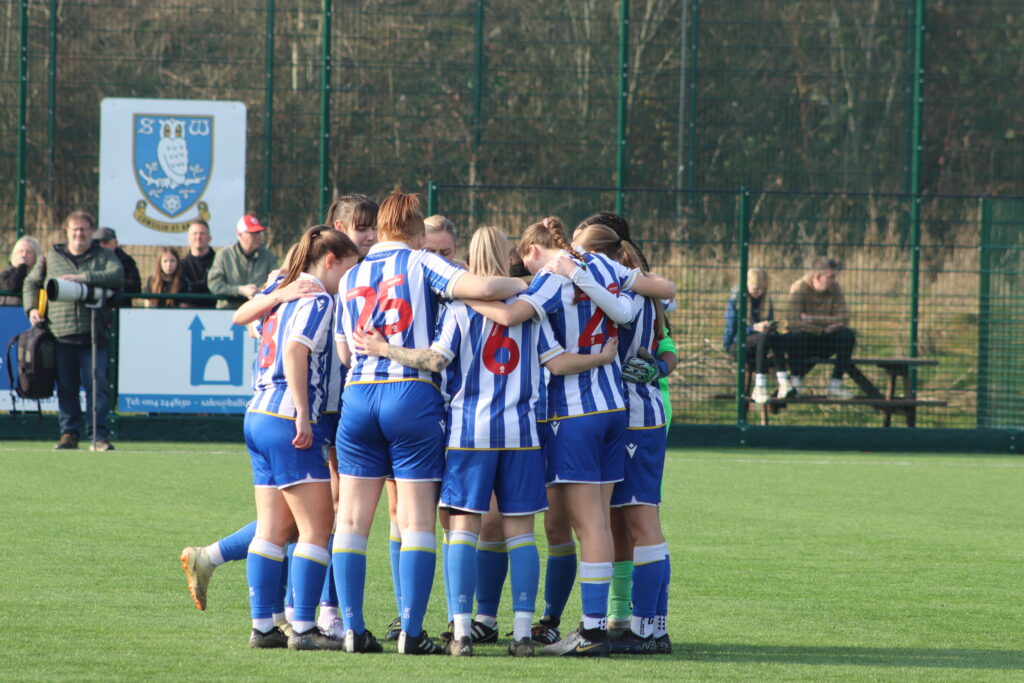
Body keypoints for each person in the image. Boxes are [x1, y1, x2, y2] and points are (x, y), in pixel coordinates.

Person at [353, 226, 619, 657]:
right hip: (522, 436)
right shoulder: (530, 311)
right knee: (521, 536)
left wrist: (387, 351)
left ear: (469, 258)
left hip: (468, 436)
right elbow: (557, 363)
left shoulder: (459, 308)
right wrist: (601, 359)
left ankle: (461, 633)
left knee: (463, 531)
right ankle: (522, 635)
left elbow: (435, 359)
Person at [463, 217, 675, 656]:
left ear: (534, 252)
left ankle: (592, 631)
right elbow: (645, 302)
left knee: (588, 525)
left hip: (572, 414)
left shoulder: (550, 278)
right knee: (600, 522)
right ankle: (613, 625)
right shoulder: (603, 269)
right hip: (615, 409)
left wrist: (461, 294)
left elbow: (512, 316)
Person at [330, 188, 528, 655]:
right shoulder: (421, 262)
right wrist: (524, 285)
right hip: (411, 393)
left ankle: (354, 631)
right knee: (417, 520)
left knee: (353, 520)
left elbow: (344, 351)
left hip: (358, 395)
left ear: (378, 229)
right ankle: (412, 633)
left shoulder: (352, 275)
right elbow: (480, 288)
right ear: (416, 229)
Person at [243, 225, 360, 651]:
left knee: (272, 529)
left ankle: (262, 627)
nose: (350, 280)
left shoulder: (284, 291)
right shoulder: (318, 298)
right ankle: (306, 628)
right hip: (286, 415)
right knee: (316, 527)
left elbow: (247, 318)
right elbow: (295, 351)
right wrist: (304, 414)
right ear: (330, 261)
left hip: (257, 412)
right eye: (349, 269)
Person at [573, 223, 675, 656]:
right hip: (630, 415)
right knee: (625, 521)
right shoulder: (641, 291)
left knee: (641, 522)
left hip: (635, 417)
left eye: (580, 252)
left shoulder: (624, 296)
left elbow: (646, 340)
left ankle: (649, 630)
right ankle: (640, 622)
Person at [23, 210, 124, 451]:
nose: (79, 233)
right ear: (67, 231)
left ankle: (98, 436)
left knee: (96, 387)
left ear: (91, 232)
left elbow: (117, 276)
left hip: (93, 333)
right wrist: (31, 309)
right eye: (75, 229)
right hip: (60, 332)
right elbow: (31, 282)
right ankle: (69, 433)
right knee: (66, 387)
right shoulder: (51, 256)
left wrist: (83, 278)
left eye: (84, 229)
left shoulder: (104, 255)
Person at [786, 256, 856, 398]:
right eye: (831, 277)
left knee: (847, 335)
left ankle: (835, 384)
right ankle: (795, 382)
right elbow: (793, 322)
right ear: (818, 276)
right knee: (796, 336)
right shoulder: (799, 288)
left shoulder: (835, 288)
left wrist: (812, 319)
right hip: (804, 341)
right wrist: (822, 329)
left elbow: (843, 318)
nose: (835, 281)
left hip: (826, 340)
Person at [723, 266, 793, 403]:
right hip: (736, 345)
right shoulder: (736, 300)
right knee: (764, 337)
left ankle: (784, 382)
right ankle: (760, 387)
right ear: (747, 285)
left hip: (762, 343)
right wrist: (754, 328)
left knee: (773, 336)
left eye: (762, 289)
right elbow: (734, 335)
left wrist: (769, 326)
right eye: (756, 289)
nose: (759, 293)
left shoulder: (766, 299)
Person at [206, 215, 278, 308]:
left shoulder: (268, 256)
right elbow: (214, 284)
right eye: (253, 233)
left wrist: (260, 291)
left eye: (258, 232)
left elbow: (277, 283)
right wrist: (239, 290)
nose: (258, 236)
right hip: (227, 312)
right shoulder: (224, 255)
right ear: (239, 235)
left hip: (258, 312)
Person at [96, 227, 141, 306]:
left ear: (115, 243)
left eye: (106, 242)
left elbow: (135, 287)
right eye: (98, 242)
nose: (102, 245)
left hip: (120, 308)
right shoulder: (90, 260)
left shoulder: (126, 261)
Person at [326, 194, 379, 259]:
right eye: (361, 229)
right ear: (339, 227)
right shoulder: (323, 264)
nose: (371, 237)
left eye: (375, 228)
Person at [179, 220, 216, 308]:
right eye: (195, 233)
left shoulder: (219, 263)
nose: (198, 237)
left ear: (209, 238)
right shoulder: (181, 265)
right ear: (188, 238)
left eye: (202, 233)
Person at [0, 236, 43, 306]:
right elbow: (12, 286)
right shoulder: (6, 273)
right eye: (21, 251)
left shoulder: (40, 274)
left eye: (29, 252)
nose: (24, 255)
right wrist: (22, 267)